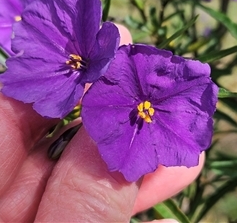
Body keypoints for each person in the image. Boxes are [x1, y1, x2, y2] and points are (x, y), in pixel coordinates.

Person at [0, 25, 204, 222]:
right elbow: (129, 63)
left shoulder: (127, 69)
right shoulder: (119, 71)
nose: (145, 110)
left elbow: (136, 62)